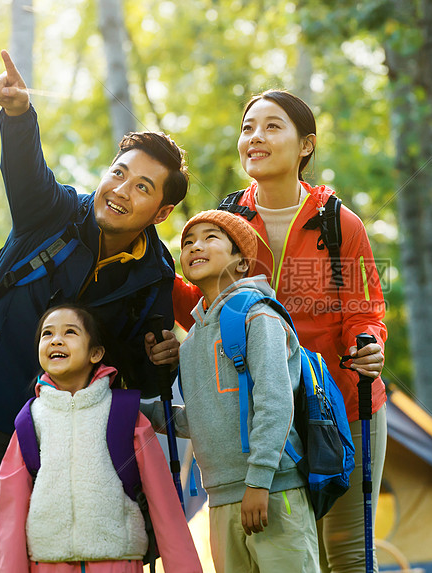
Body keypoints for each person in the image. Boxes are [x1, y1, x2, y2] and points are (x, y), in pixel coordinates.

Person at [0, 50, 185, 572]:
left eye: (142, 187)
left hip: (74, 429)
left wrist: (162, 360)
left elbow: (140, 376)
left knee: (68, 554)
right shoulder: (53, 211)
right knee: (1, 555)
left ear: (162, 212)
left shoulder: (154, 275)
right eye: (118, 174)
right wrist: (17, 115)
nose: (120, 190)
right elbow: (26, 171)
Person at [169, 90, 388, 572]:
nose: (256, 137)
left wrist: (368, 345)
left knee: (346, 556)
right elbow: (205, 304)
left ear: (305, 145)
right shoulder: (227, 219)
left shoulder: (338, 222)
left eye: (272, 126)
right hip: (258, 418)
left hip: (339, 407)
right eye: (248, 127)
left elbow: (364, 307)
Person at [145, 209, 319, 572]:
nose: (195, 247)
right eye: (188, 242)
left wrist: (258, 481)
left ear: (242, 262)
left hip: (272, 490)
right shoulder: (192, 340)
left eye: (211, 238)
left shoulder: (258, 315)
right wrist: (137, 410)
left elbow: (275, 402)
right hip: (220, 498)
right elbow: (199, 420)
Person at [0, 304, 202, 573]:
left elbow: (165, 508)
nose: (56, 339)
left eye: (70, 332)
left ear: (96, 353)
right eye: (47, 334)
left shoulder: (125, 415)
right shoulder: (29, 421)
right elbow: (10, 517)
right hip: (46, 565)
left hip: (118, 562)